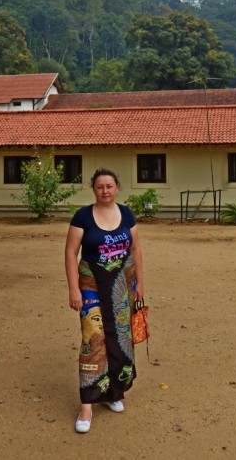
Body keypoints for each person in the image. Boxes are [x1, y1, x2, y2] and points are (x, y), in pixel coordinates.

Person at [64, 168, 144, 433]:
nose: (105, 191)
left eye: (109, 186)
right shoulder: (83, 217)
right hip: (91, 286)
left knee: (121, 337)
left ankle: (113, 393)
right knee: (93, 339)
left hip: (121, 287)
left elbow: (135, 249)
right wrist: (73, 289)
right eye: (100, 186)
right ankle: (87, 404)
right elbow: (70, 252)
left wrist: (140, 283)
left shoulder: (127, 214)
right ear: (94, 189)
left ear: (117, 187)